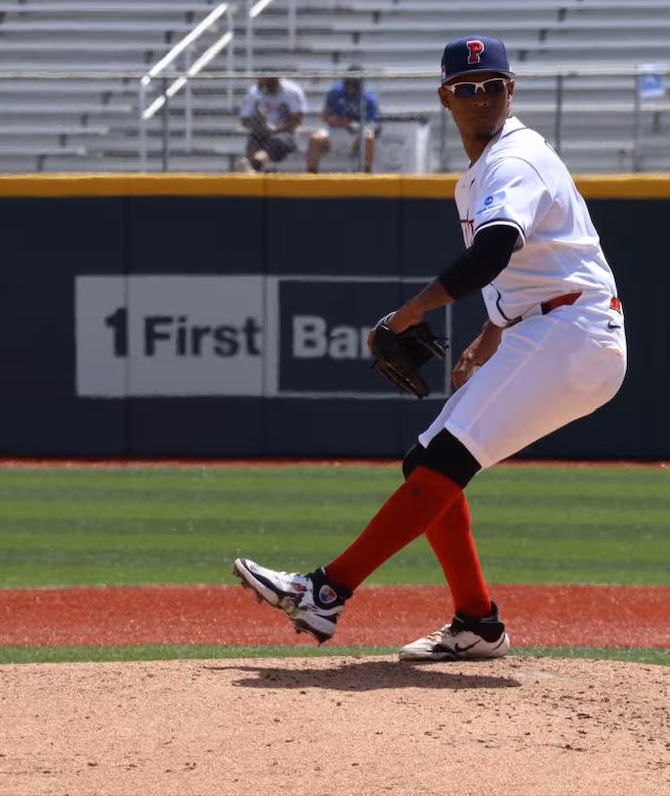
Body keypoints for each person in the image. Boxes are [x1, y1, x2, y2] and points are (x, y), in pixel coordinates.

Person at [233, 35, 627, 661]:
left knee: (444, 459)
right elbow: (528, 265)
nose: (480, 98)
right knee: (427, 465)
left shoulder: (514, 160)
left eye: (492, 86)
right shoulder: (479, 174)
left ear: (510, 91)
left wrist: (413, 310)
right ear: (445, 97)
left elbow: (494, 252)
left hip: (571, 334)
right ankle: (477, 623)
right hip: (548, 328)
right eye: (466, 89)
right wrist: (490, 335)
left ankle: (324, 593)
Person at [306, 65, 379, 173]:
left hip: (356, 135)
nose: (350, 87)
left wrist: (353, 125)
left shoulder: (368, 99)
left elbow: (373, 125)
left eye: (353, 84)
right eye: (348, 83)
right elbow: (324, 116)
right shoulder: (335, 92)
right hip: (335, 131)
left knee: (369, 136)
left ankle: (367, 171)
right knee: (315, 139)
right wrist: (333, 121)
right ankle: (311, 174)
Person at [237, 76, 307, 173]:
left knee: (277, 141)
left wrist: (276, 129)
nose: (265, 91)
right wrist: (256, 123)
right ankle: (254, 170)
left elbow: (297, 120)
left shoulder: (292, 91)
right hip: (263, 132)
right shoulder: (255, 92)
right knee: (254, 139)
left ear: (276, 82)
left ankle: (253, 164)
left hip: (286, 132)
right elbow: (244, 118)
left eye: (267, 87)